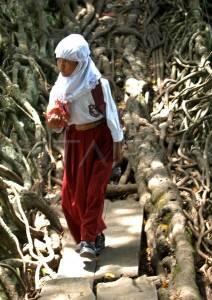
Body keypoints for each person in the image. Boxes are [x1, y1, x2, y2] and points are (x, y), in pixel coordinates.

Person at [45, 34, 123, 258]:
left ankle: (88, 239)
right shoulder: (59, 88)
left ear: (80, 63)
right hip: (75, 140)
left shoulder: (97, 84)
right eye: (59, 60)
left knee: (93, 190)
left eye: (66, 62)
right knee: (70, 193)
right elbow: (56, 124)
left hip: (101, 139)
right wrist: (54, 122)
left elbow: (111, 113)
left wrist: (118, 141)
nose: (61, 66)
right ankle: (92, 236)